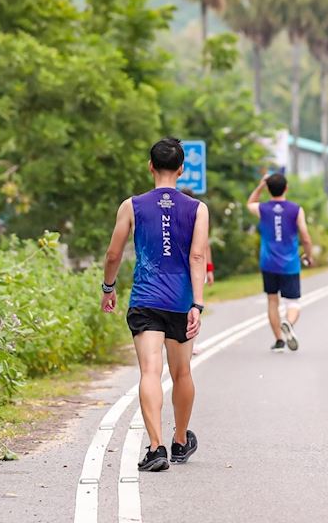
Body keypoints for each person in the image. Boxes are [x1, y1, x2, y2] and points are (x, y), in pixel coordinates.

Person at [101, 137, 210, 471]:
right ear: (182, 169)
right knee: (181, 372)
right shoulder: (198, 209)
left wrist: (108, 287)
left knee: (150, 371)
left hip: (146, 299)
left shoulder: (131, 206)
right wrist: (197, 305)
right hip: (180, 301)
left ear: (150, 166)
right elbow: (197, 256)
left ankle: (156, 448)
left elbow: (113, 254)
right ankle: (179, 441)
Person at [247, 173, 313, 351]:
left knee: (272, 300)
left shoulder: (263, 209)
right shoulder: (296, 210)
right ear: (286, 188)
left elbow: (250, 203)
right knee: (293, 302)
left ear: (269, 189)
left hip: (268, 263)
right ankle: (289, 323)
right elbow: (305, 237)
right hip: (290, 263)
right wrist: (309, 255)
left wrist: (261, 186)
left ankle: (278, 340)